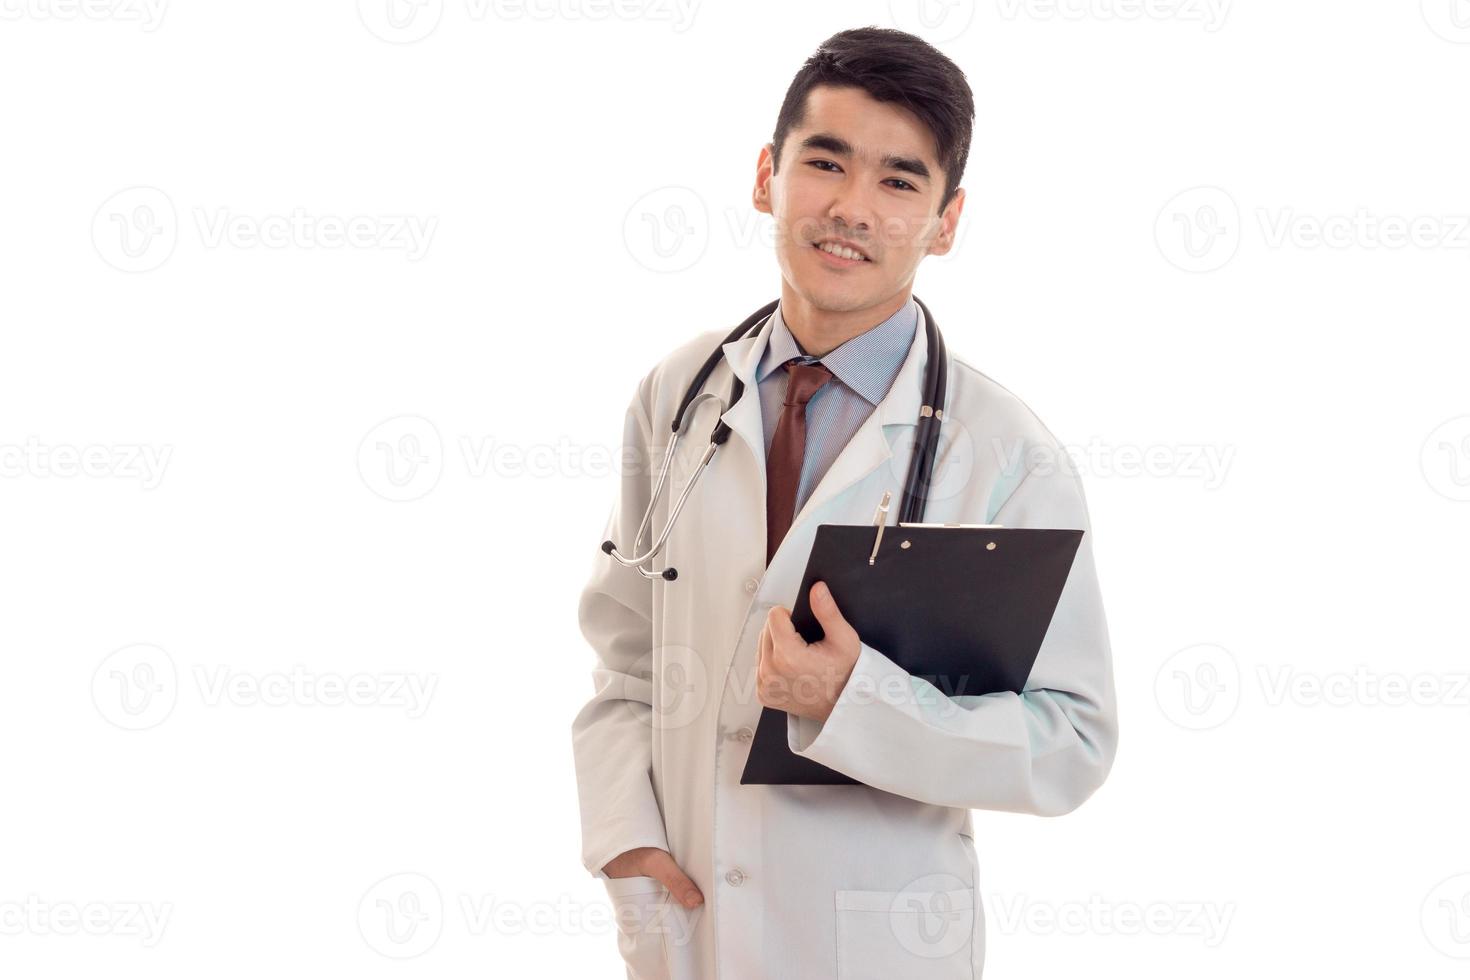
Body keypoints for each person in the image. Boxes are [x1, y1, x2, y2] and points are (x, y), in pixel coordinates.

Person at [572, 26, 1118, 979]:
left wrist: (855, 702)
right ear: (764, 177)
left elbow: (1070, 739)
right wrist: (623, 835)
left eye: (899, 182)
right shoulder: (680, 393)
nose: (852, 209)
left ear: (946, 222)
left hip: (877, 942)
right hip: (685, 924)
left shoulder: (1006, 456)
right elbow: (626, 658)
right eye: (826, 163)